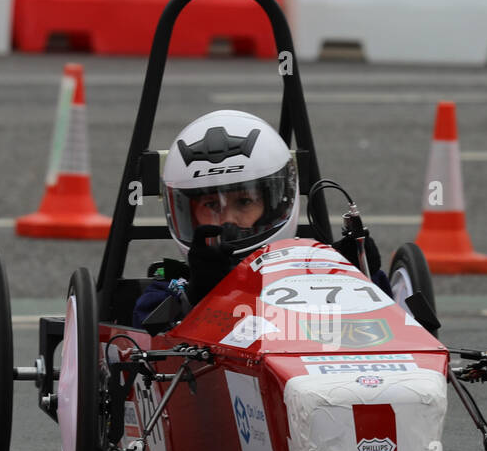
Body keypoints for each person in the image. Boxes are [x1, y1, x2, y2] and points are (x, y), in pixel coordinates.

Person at [132, 110, 388, 329]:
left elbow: (392, 325)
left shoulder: (316, 274)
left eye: (244, 202)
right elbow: (146, 336)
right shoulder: (173, 287)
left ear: (275, 204)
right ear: (187, 212)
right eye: (211, 205)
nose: (228, 219)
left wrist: (359, 274)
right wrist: (199, 295)